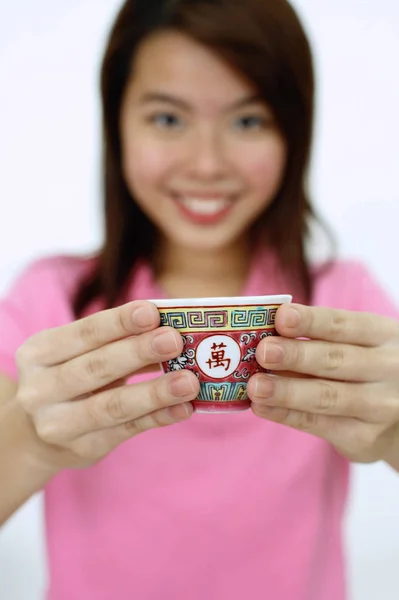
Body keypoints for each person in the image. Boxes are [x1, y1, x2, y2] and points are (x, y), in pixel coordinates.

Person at [0, 0, 398, 599]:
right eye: (167, 119)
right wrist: (29, 441)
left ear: (295, 129)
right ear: (116, 125)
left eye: (247, 122)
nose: (207, 164)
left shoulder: (347, 306)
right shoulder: (50, 300)